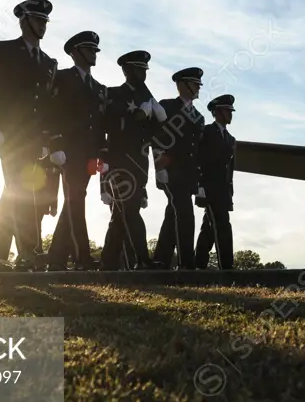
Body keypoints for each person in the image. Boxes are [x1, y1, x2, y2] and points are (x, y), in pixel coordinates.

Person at [0, 0, 66, 272]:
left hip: (34, 139)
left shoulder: (49, 62)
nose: (43, 26)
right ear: (24, 20)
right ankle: (29, 252)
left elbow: (50, 106)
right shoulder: (4, 50)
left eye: (44, 22)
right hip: (11, 136)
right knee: (22, 191)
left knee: (12, 194)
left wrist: (52, 141)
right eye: (38, 21)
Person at [98, 50, 164, 270]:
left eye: (144, 70)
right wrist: (137, 113)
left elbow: (157, 134)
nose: (143, 74)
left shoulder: (147, 97)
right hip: (119, 161)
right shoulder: (114, 93)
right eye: (138, 69)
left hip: (139, 163)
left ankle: (108, 263)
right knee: (129, 210)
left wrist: (159, 119)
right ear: (127, 70)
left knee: (122, 213)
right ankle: (142, 259)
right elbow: (107, 122)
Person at [48, 31, 106, 271]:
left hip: (88, 154)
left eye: (94, 50)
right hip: (69, 151)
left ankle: (56, 258)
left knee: (73, 201)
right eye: (89, 49)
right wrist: (55, 145)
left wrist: (100, 155)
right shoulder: (61, 78)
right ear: (75, 52)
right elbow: (51, 112)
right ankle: (81, 256)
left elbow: (100, 123)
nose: (93, 54)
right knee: (76, 201)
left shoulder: (98, 87)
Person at [151, 67, 205, 270]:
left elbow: (197, 151)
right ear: (182, 84)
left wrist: (199, 181)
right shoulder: (167, 107)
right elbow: (157, 140)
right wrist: (159, 168)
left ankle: (161, 259)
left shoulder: (199, 117)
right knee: (184, 214)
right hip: (171, 171)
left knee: (172, 214)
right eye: (194, 83)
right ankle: (186, 264)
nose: (198, 87)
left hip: (188, 174)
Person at [195, 94, 237, 270]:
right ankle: (226, 267)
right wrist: (199, 186)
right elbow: (198, 159)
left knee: (209, 230)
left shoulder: (230, 139)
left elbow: (229, 169)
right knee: (222, 225)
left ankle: (198, 265)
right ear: (217, 112)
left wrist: (230, 190)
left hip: (222, 191)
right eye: (227, 111)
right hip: (209, 188)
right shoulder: (206, 132)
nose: (230, 114)